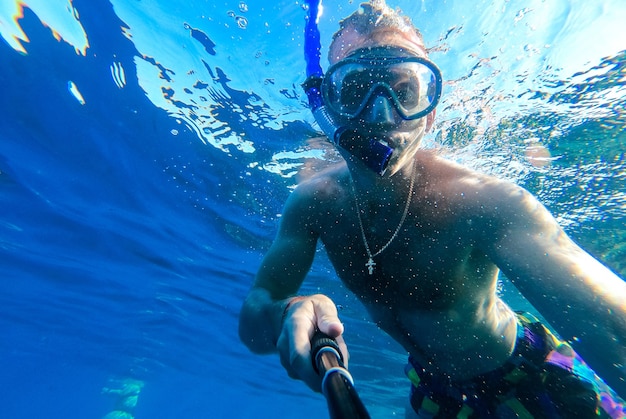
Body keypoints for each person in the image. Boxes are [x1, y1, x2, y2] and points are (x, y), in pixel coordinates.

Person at [239, 1, 626, 417]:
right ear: (328, 109)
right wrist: (288, 312)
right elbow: (256, 324)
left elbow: (611, 328)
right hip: (431, 388)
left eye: (404, 91)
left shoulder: (484, 202)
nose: (383, 115)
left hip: (532, 374)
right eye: (356, 90)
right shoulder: (314, 203)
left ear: (431, 113)